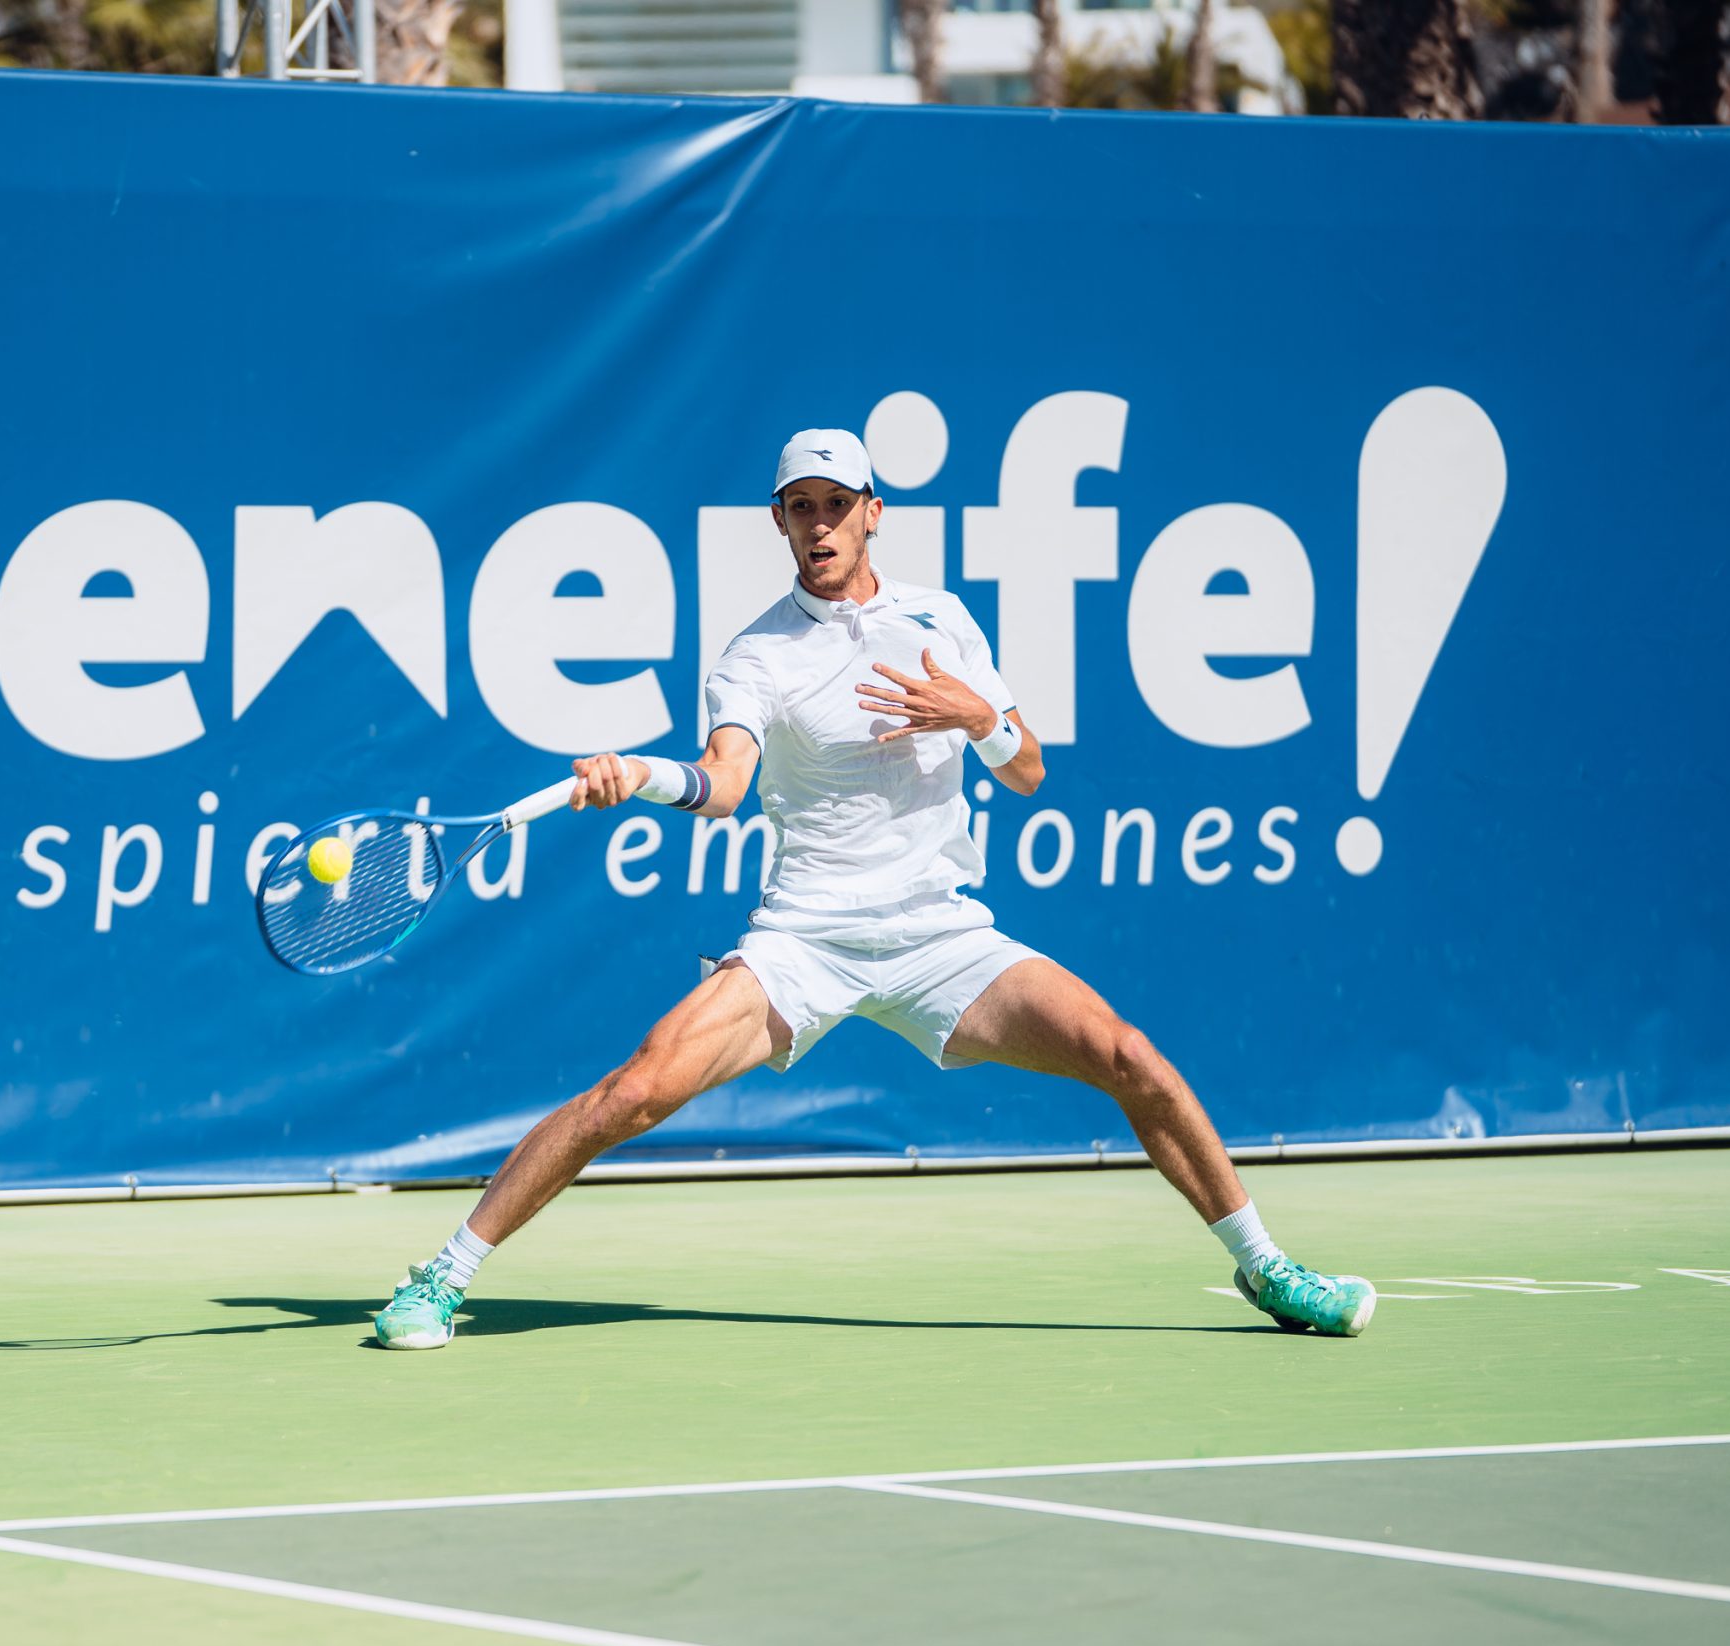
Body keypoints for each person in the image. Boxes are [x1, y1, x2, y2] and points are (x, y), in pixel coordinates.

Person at [372, 427, 1376, 1350]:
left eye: (836, 505)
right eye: (800, 508)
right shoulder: (757, 655)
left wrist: (978, 717)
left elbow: (1028, 770)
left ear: (872, 512)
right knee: (634, 1091)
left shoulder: (942, 620)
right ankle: (442, 1277)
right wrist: (638, 773)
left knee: (1128, 1054)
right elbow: (724, 785)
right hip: (805, 940)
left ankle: (1267, 1268)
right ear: (779, 521)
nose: (819, 525)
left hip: (941, 935)